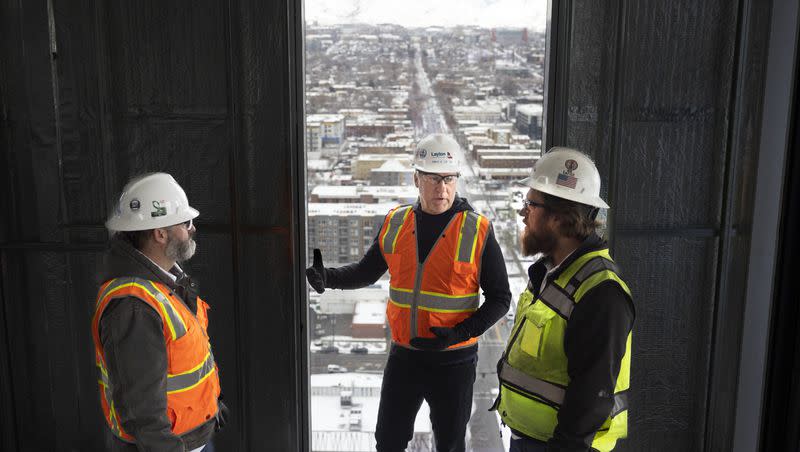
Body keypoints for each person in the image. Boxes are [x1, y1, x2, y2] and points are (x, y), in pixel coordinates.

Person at [306, 134, 511, 452]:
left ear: (456, 179)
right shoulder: (396, 223)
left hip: (453, 362)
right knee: (387, 442)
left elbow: (500, 298)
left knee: (450, 446)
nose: (441, 188)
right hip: (404, 357)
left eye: (448, 179)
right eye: (432, 179)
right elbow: (365, 271)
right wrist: (327, 277)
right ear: (417, 178)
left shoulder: (477, 230)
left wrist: (458, 334)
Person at [491, 148, 635, 452]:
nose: (523, 213)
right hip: (530, 439)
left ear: (559, 218)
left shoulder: (601, 294)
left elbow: (591, 397)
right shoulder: (552, 272)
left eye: (531, 204)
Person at [91, 173, 227, 452]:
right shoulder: (133, 306)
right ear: (160, 233)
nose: (192, 229)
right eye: (185, 222)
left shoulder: (164, 283)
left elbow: (185, 358)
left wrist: (210, 405)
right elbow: (142, 410)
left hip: (193, 434)